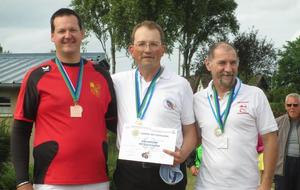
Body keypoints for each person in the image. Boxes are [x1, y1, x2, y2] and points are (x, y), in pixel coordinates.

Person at [10, 8, 117, 190]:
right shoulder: (36, 76)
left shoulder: (102, 75)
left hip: (97, 180)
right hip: (51, 181)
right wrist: (22, 180)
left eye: (73, 30)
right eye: (61, 31)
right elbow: (20, 130)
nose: (68, 35)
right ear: (52, 36)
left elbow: (117, 123)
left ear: (82, 33)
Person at [112, 20, 197, 190]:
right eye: (141, 44)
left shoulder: (180, 84)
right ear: (132, 50)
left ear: (163, 49)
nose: (147, 50)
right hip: (129, 171)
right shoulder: (117, 82)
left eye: (153, 44)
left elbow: (191, 132)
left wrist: (183, 154)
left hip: (167, 169)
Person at [193, 42, 278, 190]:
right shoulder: (197, 99)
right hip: (206, 186)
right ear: (208, 64)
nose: (228, 69)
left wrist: (265, 184)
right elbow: (194, 139)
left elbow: (271, 140)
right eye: (222, 63)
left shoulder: (255, 95)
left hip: (247, 186)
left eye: (233, 63)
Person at [274, 93, 300, 190]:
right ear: (285, 106)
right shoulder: (277, 122)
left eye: (295, 105)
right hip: (283, 164)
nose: (292, 107)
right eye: (289, 105)